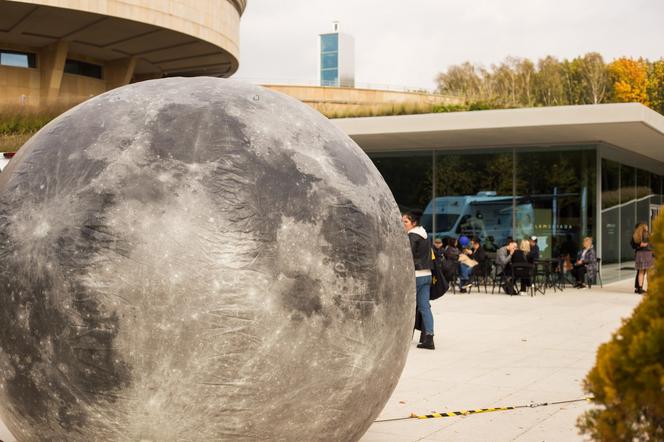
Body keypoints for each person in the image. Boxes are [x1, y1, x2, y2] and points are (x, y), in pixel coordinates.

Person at [402, 210, 435, 350]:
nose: (402, 224)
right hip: (426, 274)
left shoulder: (412, 236)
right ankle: (429, 337)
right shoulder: (425, 235)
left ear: (413, 223)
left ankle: (404, 336)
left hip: (414, 276)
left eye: (405, 222)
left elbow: (406, 256)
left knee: (405, 306)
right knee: (424, 307)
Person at [632, 223, 654, 294]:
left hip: (639, 254)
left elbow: (634, 244)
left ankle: (640, 289)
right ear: (644, 227)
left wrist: (640, 245)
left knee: (640, 272)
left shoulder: (636, 235)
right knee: (649, 272)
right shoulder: (648, 234)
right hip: (647, 253)